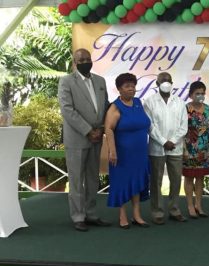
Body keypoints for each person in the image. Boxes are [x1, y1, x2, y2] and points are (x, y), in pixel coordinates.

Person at [58, 48, 111, 232]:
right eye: (81, 60)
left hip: (97, 137)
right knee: (76, 180)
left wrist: (102, 129)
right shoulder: (66, 81)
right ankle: (78, 216)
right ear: (74, 62)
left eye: (88, 59)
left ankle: (91, 214)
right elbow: (67, 110)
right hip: (77, 138)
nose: (85, 62)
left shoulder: (100, 81)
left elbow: (105, 106)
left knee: (92, 179)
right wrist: (88, 130)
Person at [104, 73, 150, 229]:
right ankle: (122, 215)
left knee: (137, 182)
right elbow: (109, 129)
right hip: (122, 153)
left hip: (140, 152)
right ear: (119, 89)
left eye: (133, 86)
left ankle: (137, 215)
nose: (131, 89)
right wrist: (112, 151)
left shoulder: (138, 103)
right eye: (127, 86)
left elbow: (144, 123)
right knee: (122, 183)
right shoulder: (115, 107)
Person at [142, 72, 188, 225]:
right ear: (157, 83)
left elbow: (184, 126)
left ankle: (174, 210)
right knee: (156, 181)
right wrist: (163, 141)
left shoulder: (180, 102)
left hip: (176, 148)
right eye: (163, 80)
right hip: (157, 148)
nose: (166, 82)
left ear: (172, 83)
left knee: (176, 181)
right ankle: (157, 212)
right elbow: (150, 126)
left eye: (168, 80)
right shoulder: (149, 102)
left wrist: (172, 141)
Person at [183, 81, 209, 219]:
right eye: (197, 93)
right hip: (189, 148)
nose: (200, 96)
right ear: (191, 95)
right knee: (189, 177)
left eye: (202, 93)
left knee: (200, 178)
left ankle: (199, 205)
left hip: (204, 149)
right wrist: (183, 148)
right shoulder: (185, 108)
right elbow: (182, 129)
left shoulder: (207, 108)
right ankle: (189, 206)